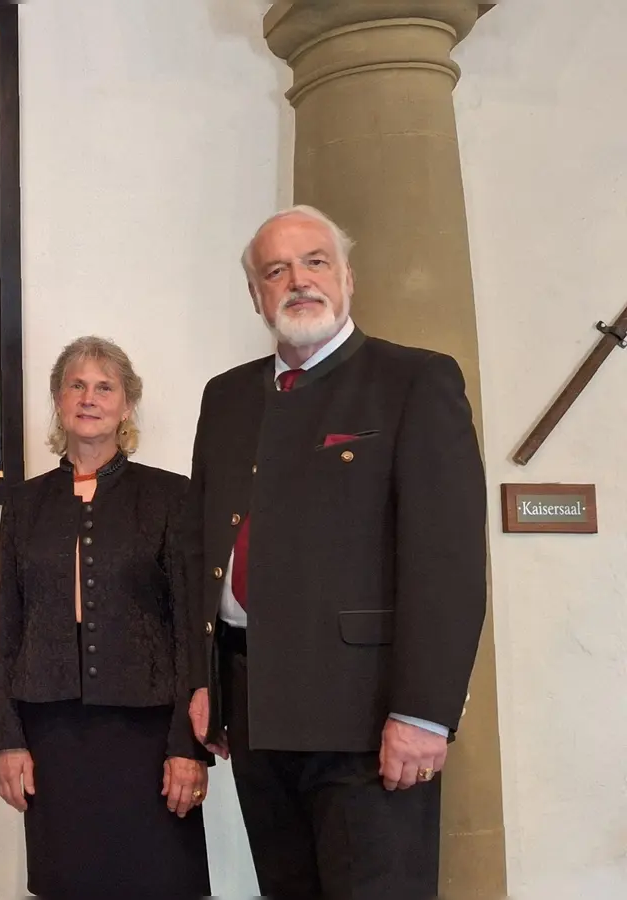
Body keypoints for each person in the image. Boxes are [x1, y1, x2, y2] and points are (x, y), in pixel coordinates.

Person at [184, 205, 487, 898]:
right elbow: (205, 546)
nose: (299, 280)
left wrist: (423, 713)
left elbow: (447, 564)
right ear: (258, 296)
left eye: (316, 261)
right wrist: (200, 681)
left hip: (367, 718)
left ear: (347, 277)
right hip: (254, 705)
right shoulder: (227, 396)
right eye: (276, 270)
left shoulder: (414, 381)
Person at [0, 335, 211, 899]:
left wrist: (187, 745)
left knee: (159, 879)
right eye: (77, 385)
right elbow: (9, 628)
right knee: (67, 879)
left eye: (105, 387)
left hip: (146, 731)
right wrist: (8, 739)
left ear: (126, 404)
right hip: (53, 730)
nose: (89, 398)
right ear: (59, 400)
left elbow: (191, 629)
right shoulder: (25, 503)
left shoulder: (169, 497)